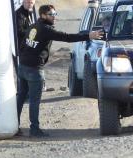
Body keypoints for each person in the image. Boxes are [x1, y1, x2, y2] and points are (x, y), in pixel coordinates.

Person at [17, 4, 104, 137]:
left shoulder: (33, 26)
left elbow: (23, 44)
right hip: (34, 70)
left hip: (23, 67)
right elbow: (67, 37)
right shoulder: (45, 29)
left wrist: (24, 59)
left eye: (55, 14)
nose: (54, 17)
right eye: (51, 14)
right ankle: (34, 129)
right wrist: (89, 36)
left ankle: (14, 126)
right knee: (34, 101)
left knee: (21, 97)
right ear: (43, 15)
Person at [14, 0, 36, 136]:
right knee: (24, 94)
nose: (30, 3)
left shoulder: (32, 13)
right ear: (23, 2)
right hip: (23, 56)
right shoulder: (19, 15)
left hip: (30, 55)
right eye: (28, 1)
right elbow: (20, 32)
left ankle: (18, 124)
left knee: (23, 93)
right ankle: (17, 124)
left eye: (32, 1)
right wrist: (35, 32)